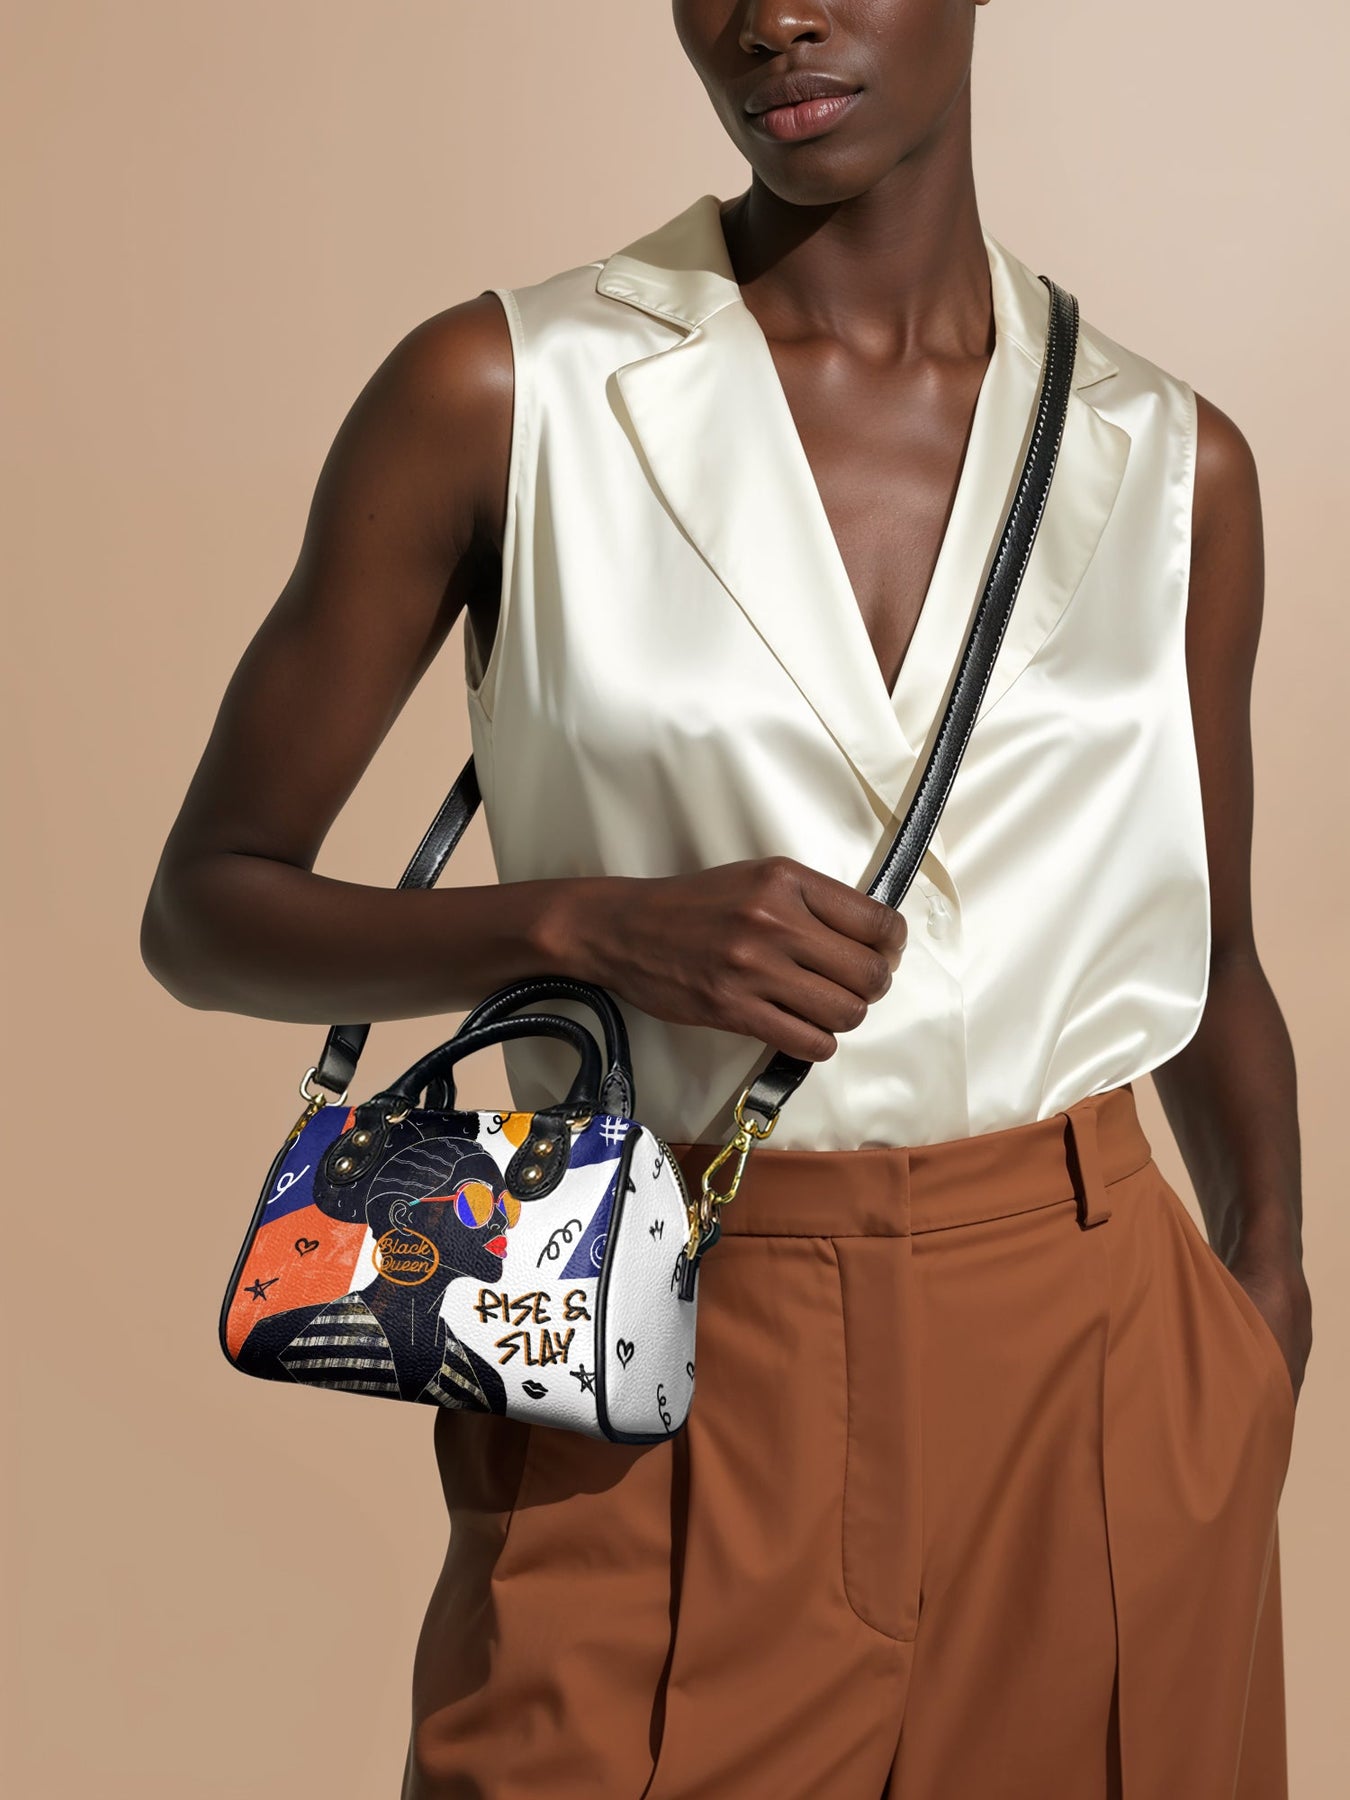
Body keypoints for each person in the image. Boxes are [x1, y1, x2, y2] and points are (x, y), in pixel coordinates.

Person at [140, 2, 1313, 1796]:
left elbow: (1210, 956)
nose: (773, 18)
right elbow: (207, 909)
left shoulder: (1169, 462)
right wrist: (583, 927)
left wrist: (1262, 1318)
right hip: (655, 1327)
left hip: (1094, 1362)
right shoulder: (505, 392)